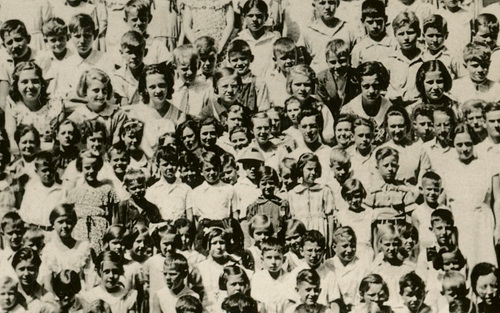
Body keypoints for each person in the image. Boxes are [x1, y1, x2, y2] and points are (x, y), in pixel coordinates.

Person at [440, 124, 497, 267]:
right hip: (459, 223)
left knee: (484, 263)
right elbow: (443, 201)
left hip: (482, 223)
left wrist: (499, 228)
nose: (464, 149)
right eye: (459, 145)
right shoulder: (447, 166)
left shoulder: (486, 164)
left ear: (474, 143)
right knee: (462, 263)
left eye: (468, 144)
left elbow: (498, 199)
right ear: (453, 144)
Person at [65, 150, 118, 254]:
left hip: (101, 233)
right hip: (80, 233)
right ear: (80, 168)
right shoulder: (74, 192)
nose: (91, 171)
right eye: (87, 168)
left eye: (94, 167)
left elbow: (115, 217)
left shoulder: (107, 189)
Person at [5, 61, 64, 151]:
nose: (30, 86)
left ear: (41, 84)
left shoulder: (54, 105)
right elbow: (13, 143)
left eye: (35, 81)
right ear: (17, 85)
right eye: (24, 82)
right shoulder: (13, 106)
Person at [128, 63, 180, 159]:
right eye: (152, 87)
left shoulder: (178, 114)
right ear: (145, 89)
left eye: (162, 85)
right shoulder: (136, 113)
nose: (158, 91)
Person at [68, 68, 128, 147]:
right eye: (96, 90)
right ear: (85, 90)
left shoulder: (117, 114)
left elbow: (117, 144)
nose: (101, 95)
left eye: (104, 91)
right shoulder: (76, 117)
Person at [41, 204, 94, 290]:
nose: (65, 226)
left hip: (80, 294)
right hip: (57, 295)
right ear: (53, 223)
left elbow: (89, 278)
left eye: (69, 222)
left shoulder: (83, 247)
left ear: (74, 223)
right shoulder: (49, 250)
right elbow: (48, 284)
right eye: (60, 222)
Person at [298, 0, 357, 73]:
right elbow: (302, 62)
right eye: (322, 3)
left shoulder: (348, 29)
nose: (327, 7)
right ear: (314, 5)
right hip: (318, 80)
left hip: (343, 80)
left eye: (331, 2)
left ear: (337, 4)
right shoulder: (307, 31)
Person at [288, 153, 334, 246]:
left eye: (315, 169)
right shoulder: (293, 193)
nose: (313, 173)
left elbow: (330, 217)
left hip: (320, 230)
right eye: (309, 169)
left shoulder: (324, 190)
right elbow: (292, 219)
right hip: (301, 233)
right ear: (301, 169)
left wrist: (330, 241)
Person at [341, 61, 392, 142]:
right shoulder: (348, 110)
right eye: (366, 86)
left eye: (375, 85)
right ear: (359, 85)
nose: (371, 91)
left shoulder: (389, 109)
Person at [382, 11, 424, 107]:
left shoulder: (425, 60)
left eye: (410, 33)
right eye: (401, 34)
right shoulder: (388, 61)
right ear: (395, 35)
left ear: (418, 33)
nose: (406, 38)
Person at [145, 146, 192, 222]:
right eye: (165, 164)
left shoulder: (186, 189)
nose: (170, 167)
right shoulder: (152, 190)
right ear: (158, 165)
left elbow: (190, 218)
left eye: (173, 163)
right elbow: (149, 218)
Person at [234, 0, 280, 78]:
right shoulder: (238, 41)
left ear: (266, 17)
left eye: (259, 16)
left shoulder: (274, 41)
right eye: (250, 15)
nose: (254, 19)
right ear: (243, 17)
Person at [329, 226, 370, 310]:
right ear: (334, 247)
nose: (350, 250)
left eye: (353, 245)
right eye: (345, 246)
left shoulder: (363, 266)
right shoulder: (328, 265)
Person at [317, 39, 360, 118]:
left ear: (349, 59)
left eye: (342, 61)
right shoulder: (321, 78)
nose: (338, 66)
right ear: (326, 61)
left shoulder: (357, 76)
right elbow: (322, 103)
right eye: (333, 62)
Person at [351, 0, 397, 68]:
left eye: (379, 21)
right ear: (363, 22)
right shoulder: (359, 48)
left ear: (386, 19)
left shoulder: (394, 44)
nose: (375, 26)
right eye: (370, 22)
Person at [171, 45, 212, 120]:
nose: (190, 72)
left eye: (193, 68)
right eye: (184, 69)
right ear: (175, 67)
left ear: (199, 65)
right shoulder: (172, 89)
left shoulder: (206, 89)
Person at [251, 238, 289, 313]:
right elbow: (257, 304)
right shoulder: (257, 278)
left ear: (283, 259)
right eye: (269, 258)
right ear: (262, 260)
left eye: (277, 258)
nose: (273, 262)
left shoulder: (290, 278)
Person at [421, 15, 465, 80]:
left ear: (446, 35)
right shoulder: (421, 56)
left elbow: (463, 78)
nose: (435, 40)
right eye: (430, 36)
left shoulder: (452, 58)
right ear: (423, 35)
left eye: (439, 36)